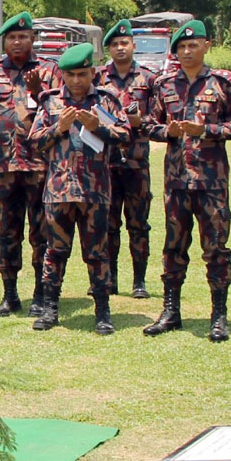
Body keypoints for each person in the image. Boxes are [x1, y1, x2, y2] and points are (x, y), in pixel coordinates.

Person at [143, 20, 231, 341]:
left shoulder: (223, 82)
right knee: (174, 247)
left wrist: (208, 131)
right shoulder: (164, 85)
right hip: (176, 181)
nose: (187, 51)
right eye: (181, 47)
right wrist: (166, 132)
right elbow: (148, 124)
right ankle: (171, 311)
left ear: (206, 45)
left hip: (212, 182)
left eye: (193, 45)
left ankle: (219, 315)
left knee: (215, 248)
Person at [29, 43, 129, 333]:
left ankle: (102, 312)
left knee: (97, 253)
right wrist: (57, 129)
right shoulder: (49, 103)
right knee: (55, 251)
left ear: (93, 73)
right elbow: (34, 142)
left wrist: (98, 126)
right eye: (70, 75)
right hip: (59, 190)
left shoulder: (106, 101)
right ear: (62, 75)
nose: (76, 81)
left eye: (82, 74)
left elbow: (126, 135)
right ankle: (50, 309)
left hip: (95, 191)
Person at [0, 11, 57, 316]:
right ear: (4, 42)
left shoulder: (49, 71)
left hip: (39, 166)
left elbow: (59, 114)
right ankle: (10, 294)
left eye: (23, 36)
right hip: (5, 167)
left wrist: (39, 93)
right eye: (11, 38)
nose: (17, 42)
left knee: (41, 232)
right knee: (7, 232)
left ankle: (40, 292)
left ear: (33, 39)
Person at [96, 18, 155, 298]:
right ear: (109, 49)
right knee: (107, 224)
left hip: (136, 162)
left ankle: (139, 280)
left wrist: (139, 120)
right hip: (106, 163)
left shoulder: (148, 79)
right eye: (115, 44)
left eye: (125, 43)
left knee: (138, 223)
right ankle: (110, 278)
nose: (120, 48)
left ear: (133, 45)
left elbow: (158, 118)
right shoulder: (98, 78)